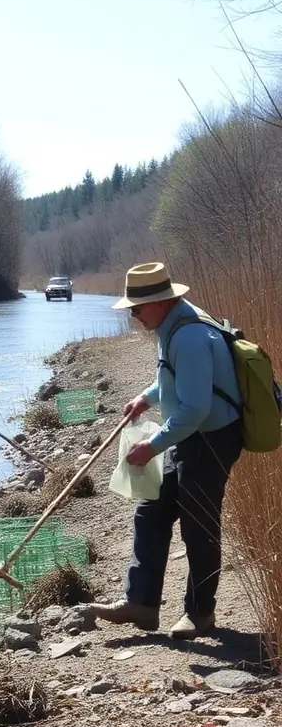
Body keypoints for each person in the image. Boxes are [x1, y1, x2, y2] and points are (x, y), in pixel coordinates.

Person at [82, 262, 243, 640]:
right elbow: (168, 379)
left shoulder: (188, 337)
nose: (134, 315)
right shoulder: (170, 327)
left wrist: (152, 447)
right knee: (151, 511)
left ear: (160, 302)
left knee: (198, 527)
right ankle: (141, 603)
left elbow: (195, 407)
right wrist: (145, 398)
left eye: (136, 309)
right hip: (189, 434)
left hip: (211, 439)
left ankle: (200, 614)